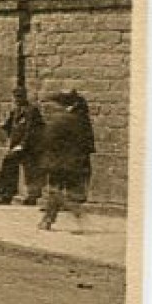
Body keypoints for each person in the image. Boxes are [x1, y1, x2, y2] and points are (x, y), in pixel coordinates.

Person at [38, 90, 95, 232]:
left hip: (59, 162)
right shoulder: (82, 119)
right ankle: (47, 221)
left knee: (56, 192)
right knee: (64, 192)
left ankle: (79, 220)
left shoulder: (61, 120)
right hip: (76, 162)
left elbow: (46, 140)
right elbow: (89, 145)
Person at [0, 86, 45, 205]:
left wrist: (23, 144)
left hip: (29, 146)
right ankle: (5, 194)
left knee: (31, 171)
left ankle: (32, 196)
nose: (17, 100)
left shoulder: (31, 110)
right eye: (16, 97)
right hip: (16, 145)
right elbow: (8, 126)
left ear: (24, 97)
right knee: (9, 166)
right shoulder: (15, 111)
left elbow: (31, 130)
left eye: (20, 97)